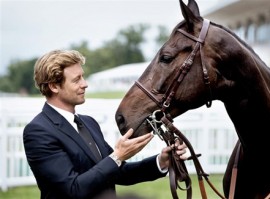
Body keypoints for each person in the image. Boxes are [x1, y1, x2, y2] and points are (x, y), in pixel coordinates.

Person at [23, 49, 187, 199]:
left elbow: (118, 172)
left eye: (83, 76)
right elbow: (72, 189)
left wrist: (162, 160)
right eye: (76, 79)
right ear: (53, 86)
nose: (84, 84)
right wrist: (117, 156)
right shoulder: (38, 131)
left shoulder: (89, 122)